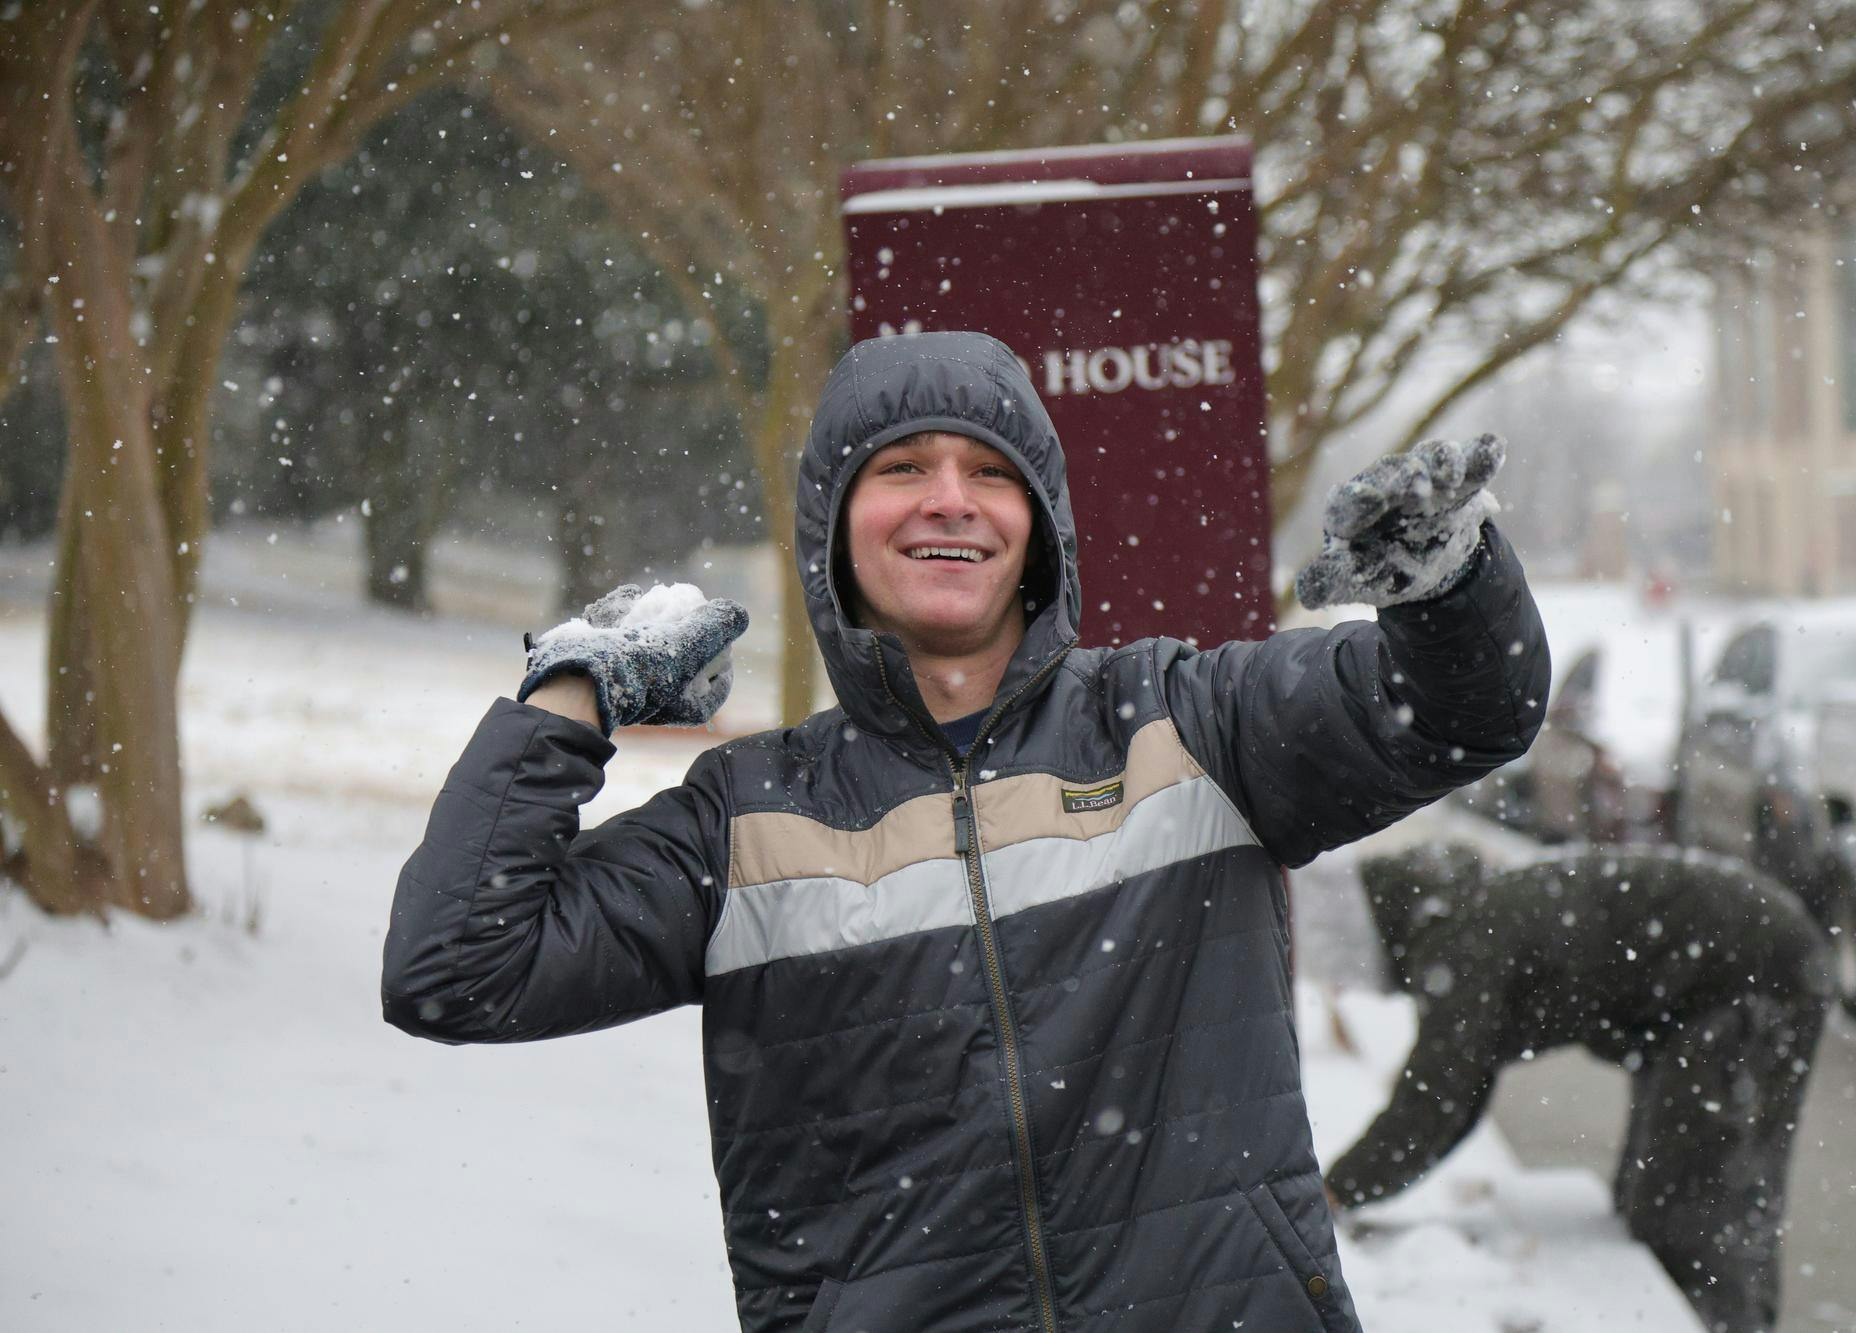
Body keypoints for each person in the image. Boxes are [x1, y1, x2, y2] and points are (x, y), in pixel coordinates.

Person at [383, 329, 1551, 1332]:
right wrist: (570, 695)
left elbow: (1469, 711)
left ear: (1035, 528)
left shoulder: (1185, 722)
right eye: (901, 468)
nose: (949, 496)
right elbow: (458, 970)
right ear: (834, 531)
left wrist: (1446, 583)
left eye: (989, 472)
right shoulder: (746, 823)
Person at [1324, 843, 1833, 1333]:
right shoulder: (1470, 911)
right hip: (1718, 972)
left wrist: (1338, 1190)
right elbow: (1456, 1090)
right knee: (1662, 1194)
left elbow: (1437, 1100)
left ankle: (1721, 1320)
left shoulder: (1464, 944)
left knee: (1697, 1212)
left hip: (1749, 972)